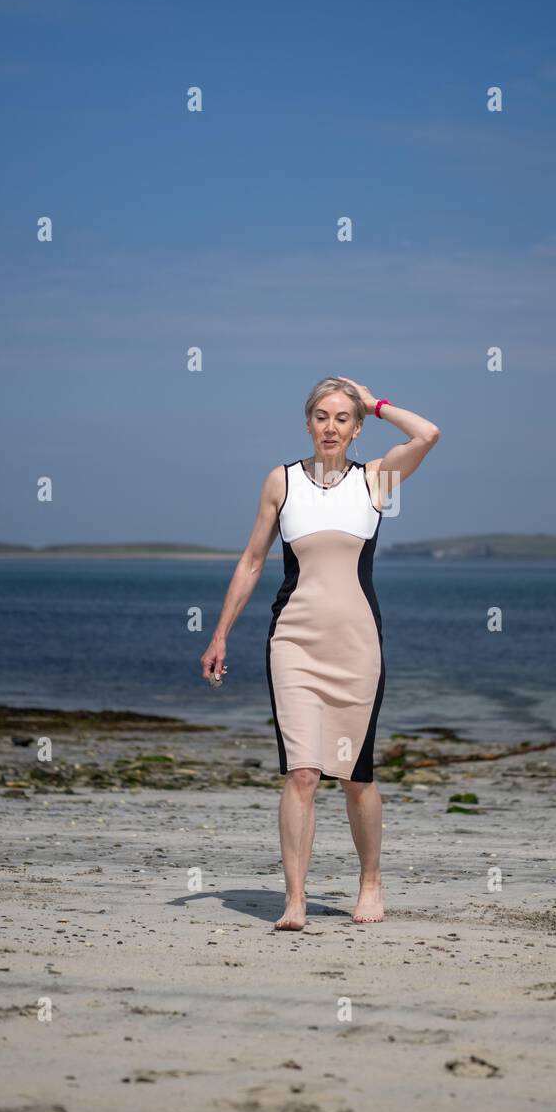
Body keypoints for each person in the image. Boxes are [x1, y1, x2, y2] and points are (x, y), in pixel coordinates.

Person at [200, 375, 440, 930]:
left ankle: (371, 884)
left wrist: (375, 402)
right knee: (302, 773)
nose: (330, 427)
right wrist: (219, 635)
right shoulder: (280, 482)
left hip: (357, 647)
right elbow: (253, 562)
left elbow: (428, 433)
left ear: (356, 429)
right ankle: (295, 899)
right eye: (321, 417)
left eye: (342, 418)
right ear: (307, 423)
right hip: (294, 642)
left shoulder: (378, 480)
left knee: (356, 775)